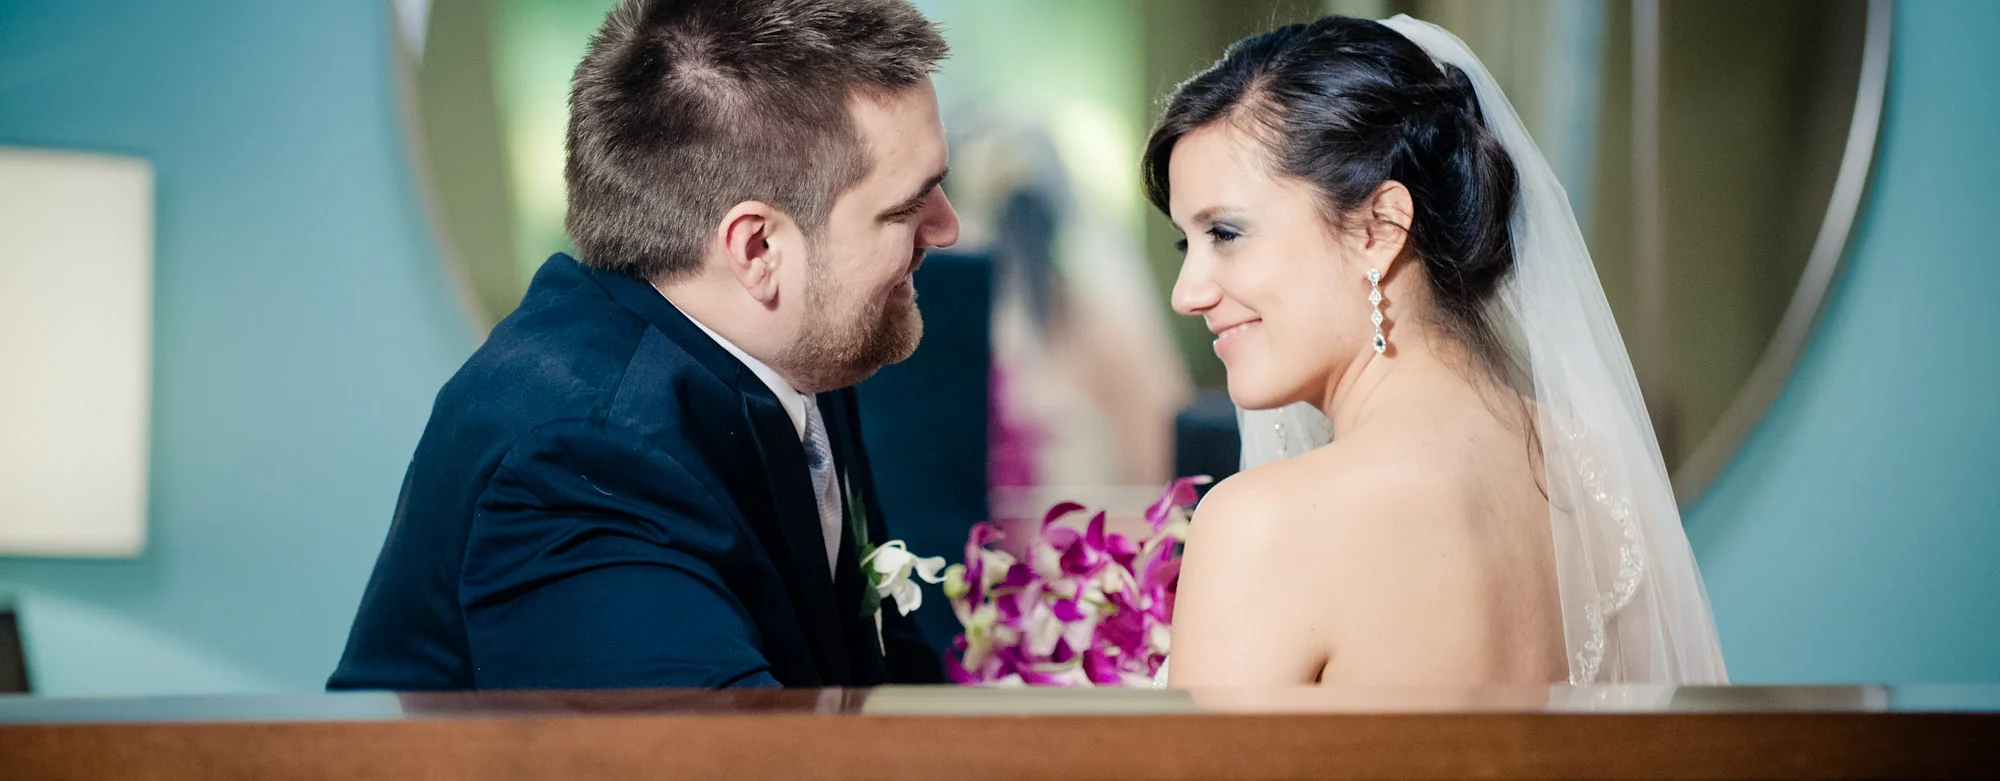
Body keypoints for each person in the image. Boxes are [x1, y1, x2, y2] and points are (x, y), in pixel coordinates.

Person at [329, 0, 959, 690]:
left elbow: (882, 669)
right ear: (758, 248)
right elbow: (728, 760)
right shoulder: (579, 459)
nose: (948, 227)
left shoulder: (792, 343)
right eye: (907, 206)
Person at [1155, 15, 1727, 686]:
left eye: (1225, 232)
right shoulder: (1599, 480)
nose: (1187, 293)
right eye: (1184, 244)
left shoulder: (1263, 526)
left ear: (1379, 227)